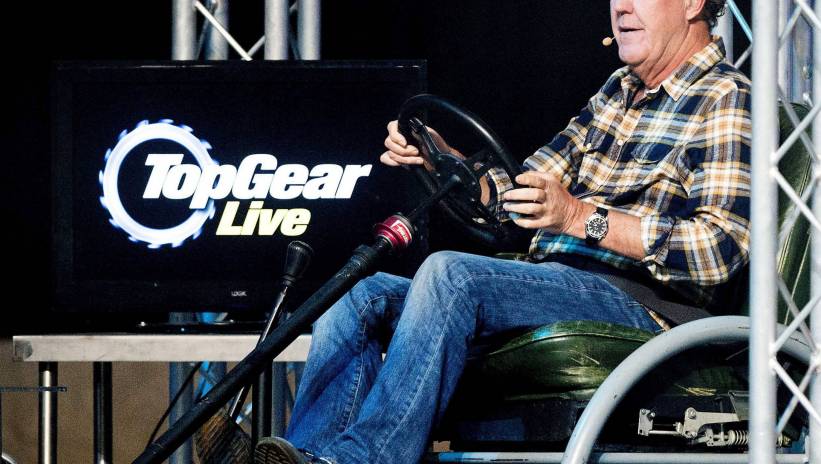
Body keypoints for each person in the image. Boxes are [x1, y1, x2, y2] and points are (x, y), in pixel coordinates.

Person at [254, 0, 749, 462]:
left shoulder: (726, 97)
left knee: (451, 275)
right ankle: (313, 453)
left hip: (643, 304)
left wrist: (579, 218)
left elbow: (718, 250)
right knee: (359, 295)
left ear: (693, 3)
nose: (621, 7)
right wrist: (444, 160)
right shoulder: (615, 94)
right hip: (553, 280)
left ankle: (363, 459)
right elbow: (518, 194)